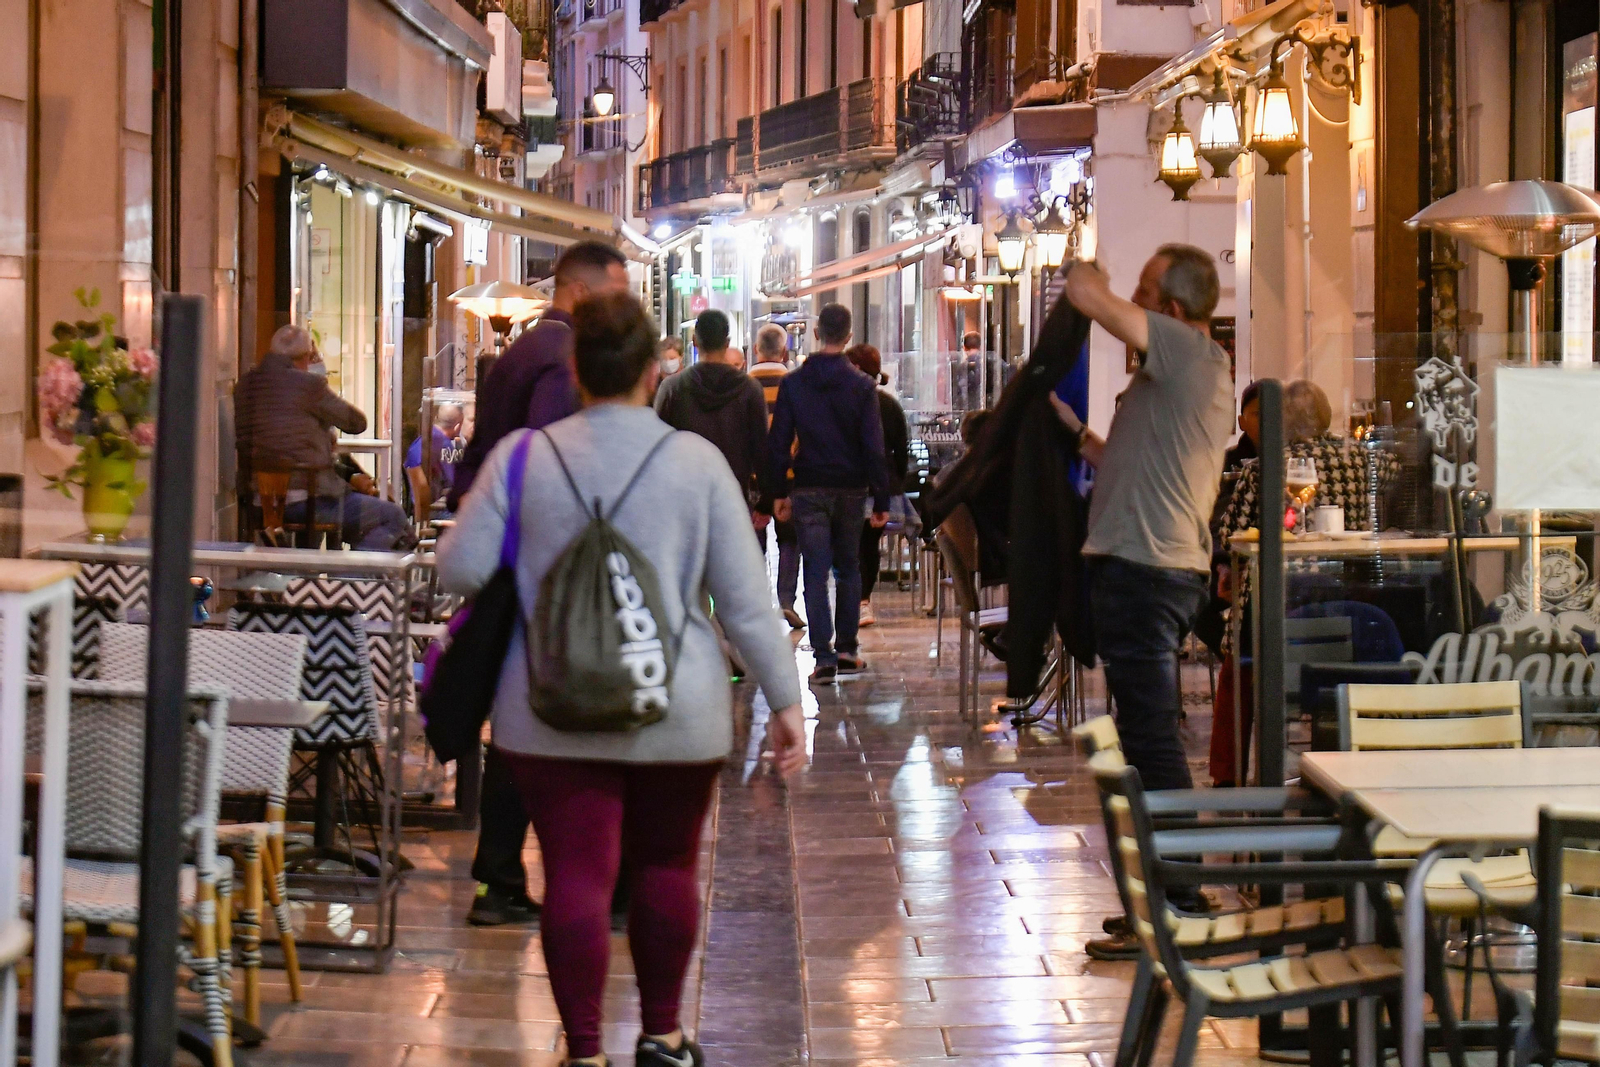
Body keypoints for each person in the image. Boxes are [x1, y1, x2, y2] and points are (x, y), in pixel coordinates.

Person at [435, 290, 806, 1067]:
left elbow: (462, 567)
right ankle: (664, 1035)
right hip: (681, 707)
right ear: (650, 370)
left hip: (547, 704)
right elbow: (745, 603)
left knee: (574, 868)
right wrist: (785, 700)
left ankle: (583, 1050)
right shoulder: (697, 464)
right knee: (666, 864)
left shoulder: (524, 457)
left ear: (576, 370)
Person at [447, 240, 632, 928]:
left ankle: (501, 875)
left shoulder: (523, 350)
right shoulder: (561, 361)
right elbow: (555, 463)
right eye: (615, 294)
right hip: (545, 564)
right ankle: (574, 883)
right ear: (580, 293)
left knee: (520, 722)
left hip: (509, 554)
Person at [1209, 379, 1401, 787]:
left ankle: (1228, 776)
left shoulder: (1264, 469)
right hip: (1350, 597)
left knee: (1237, 665)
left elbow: (1230, 535)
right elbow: (1398, 472)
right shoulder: (1362, 462)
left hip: (1278, 602)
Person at [765, 303, 890, 683]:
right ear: (849, 336)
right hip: (851, 488)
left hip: (808, 486)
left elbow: (779, 442)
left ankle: (823, 657)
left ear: (816, 333)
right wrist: (881, 498)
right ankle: (848, 649)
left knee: (815, 572)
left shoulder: (795, 383)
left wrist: (777, 493)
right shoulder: (862, 386)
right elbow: (874, 446)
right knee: (848, 567)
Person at [236, 325, 413, 550]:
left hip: (258, 501)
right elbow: (357, 423)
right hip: (305, 502)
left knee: (364, 518)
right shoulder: (308, 385)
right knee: (392, 516)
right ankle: (352, 581)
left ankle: (339, 578)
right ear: (307, 357)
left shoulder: (246, 385)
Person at [653, 310, 768, 505]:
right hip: (734, 496)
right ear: (727, 342)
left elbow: (656, 446)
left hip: (684, 497)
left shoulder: (673, 388)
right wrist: (765, 501)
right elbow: (761, 448)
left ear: (695, 341)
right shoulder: (750, 389)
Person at [844, 344, 909, 627]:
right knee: (867, 546)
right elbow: (901, 452)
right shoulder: (890, 405)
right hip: (882, 488)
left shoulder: (844, 403)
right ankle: (862, 602)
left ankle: (855, 602)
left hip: (849, 485)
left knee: (852, 547)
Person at [749, 324, 802, 629]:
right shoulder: (794, 384)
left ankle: (756, 601)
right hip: (790, 474)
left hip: (754, 476)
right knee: (790, 540)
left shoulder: (745, 384)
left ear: (756, 349)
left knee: (753, 539)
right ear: (784, 351)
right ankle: (786, 600)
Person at [405, 402, 465, 520]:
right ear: (457, 426)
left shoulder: (420, 442)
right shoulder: (446, 446)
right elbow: (454, 485)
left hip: (419, 510)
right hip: (436, 511)